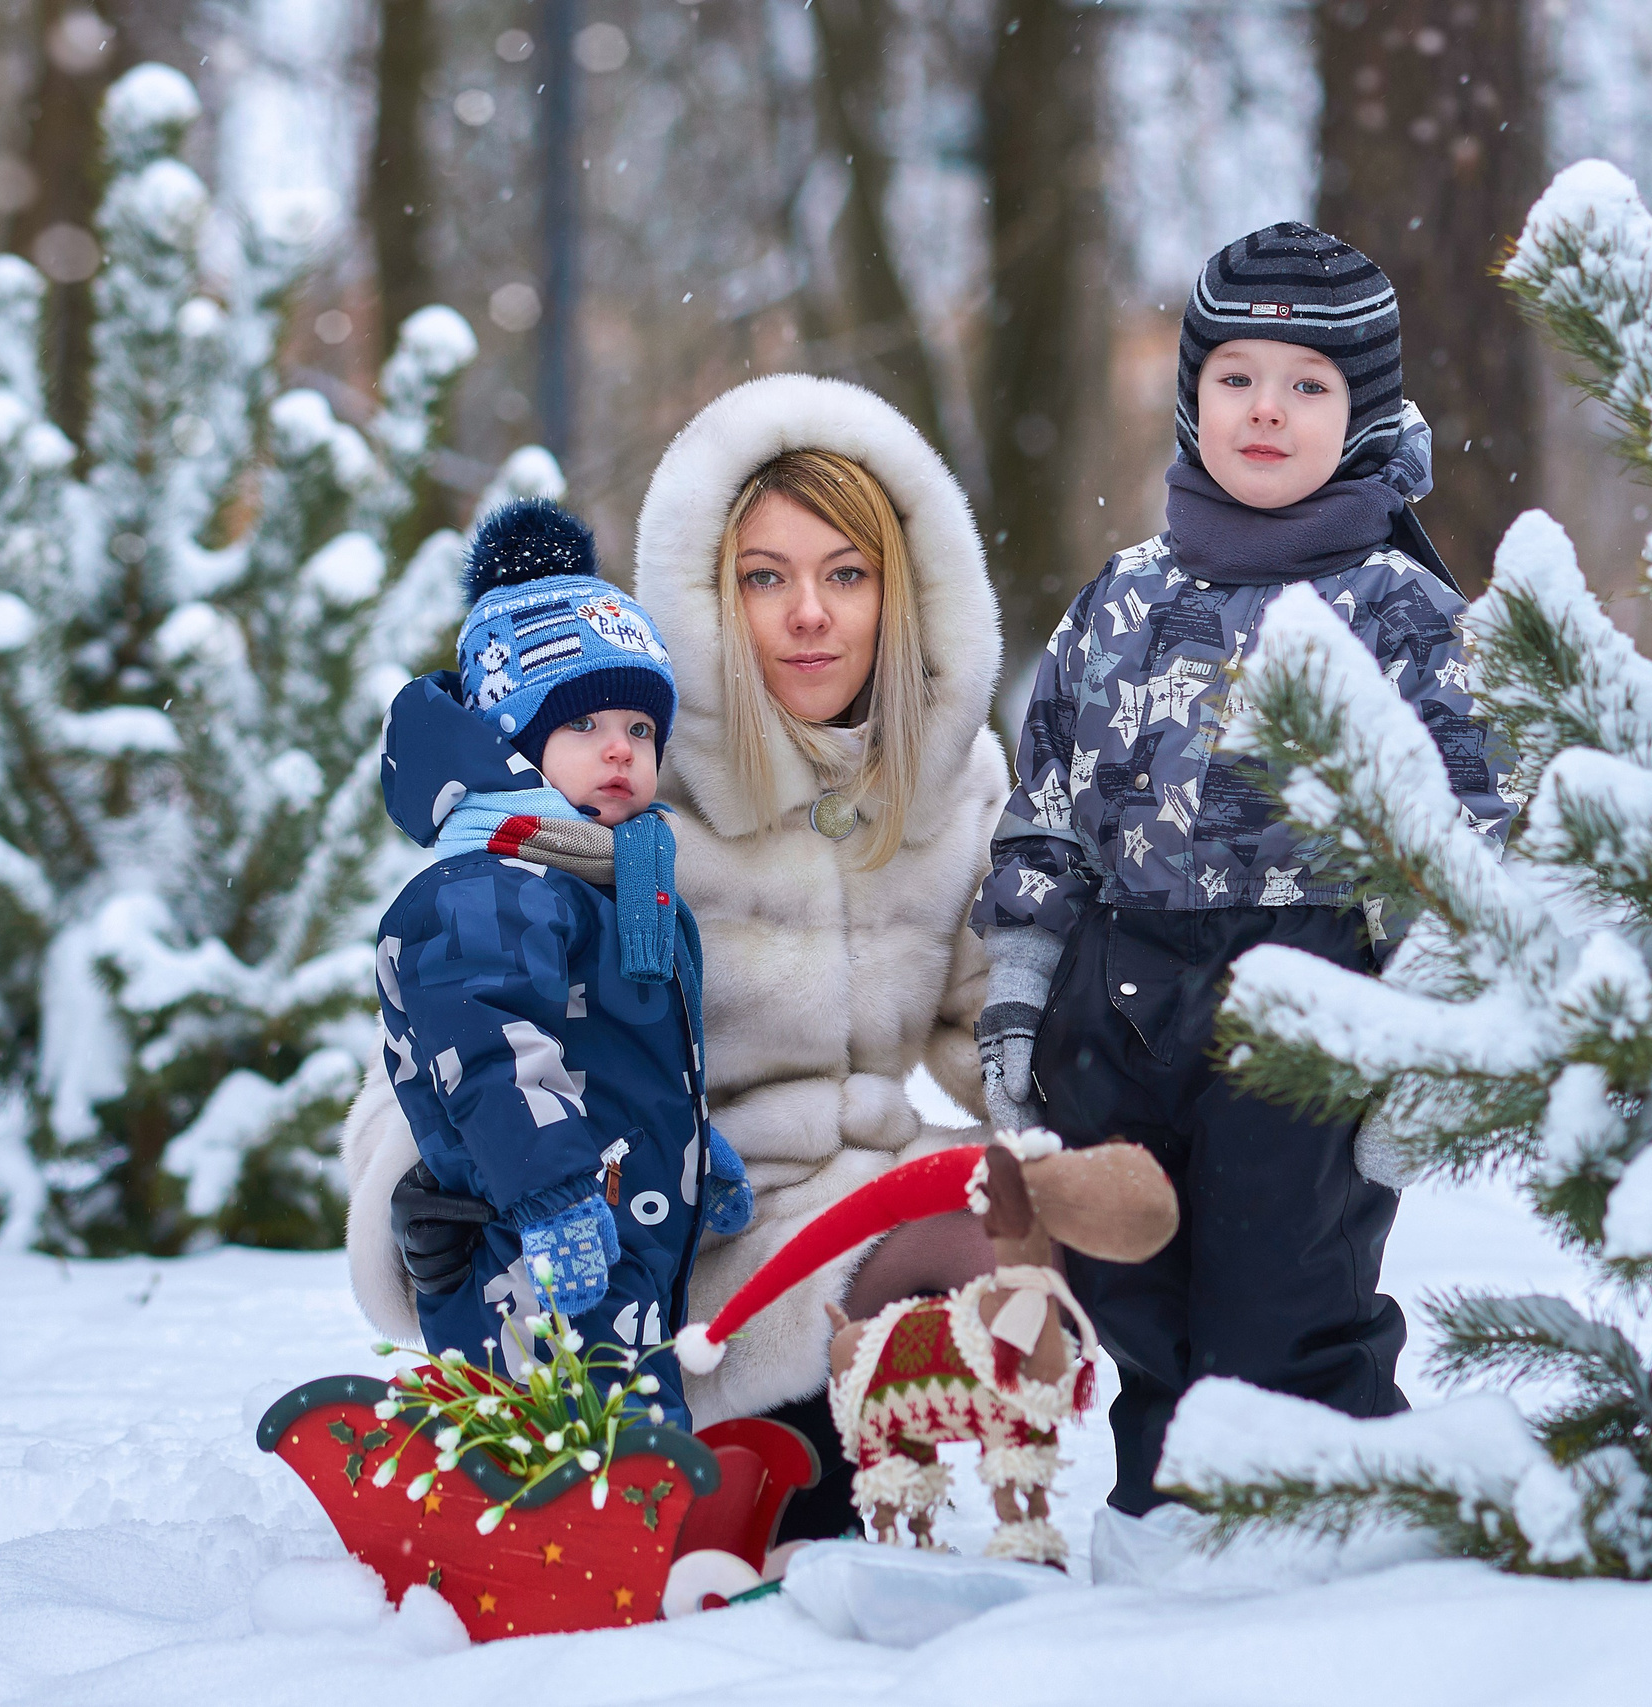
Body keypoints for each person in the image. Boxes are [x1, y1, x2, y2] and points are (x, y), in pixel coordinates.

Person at [342, 376, 1007, 1540]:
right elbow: (451, 1009)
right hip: (670, 1254)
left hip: (854, 1209)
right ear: (708, 593)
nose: (810, 615)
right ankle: (719, 1490)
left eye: (847, 574)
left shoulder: (953, 785)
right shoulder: (623, 781)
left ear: (903, 592)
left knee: (1025, 1219)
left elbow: (998, 1028)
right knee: (735, 1529)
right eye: (766, 577)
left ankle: (942, 1517)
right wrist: (435, 1190)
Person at [969, 223, 1514, 1518]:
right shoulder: (1117, 601)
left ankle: (1335, 1517)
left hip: (1310, 997)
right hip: (1123, 997)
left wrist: (1426, 1035)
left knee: (1284, 1296)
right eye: (1237, 378)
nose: (1266, 408)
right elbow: (1046, 811)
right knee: (1135, 1286)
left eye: (1308, 384)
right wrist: (1023, 990)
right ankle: (1166, 1530)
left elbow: (1471, 843)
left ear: (1363, 410)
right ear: (1192, 397)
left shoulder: (1404, 613)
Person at [368, 498, 752, 1426]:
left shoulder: (606, 882)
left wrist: (699, 1157)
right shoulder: (489, 887)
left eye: (641, 728)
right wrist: (549, 1196)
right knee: (553, 1415)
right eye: (584, 724)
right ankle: (518, 1496)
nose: (621, 747)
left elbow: (626, 1063)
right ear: (514, 745)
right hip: (527, 1240)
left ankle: (641, 1499)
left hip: (616, 1238)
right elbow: (490, 1053)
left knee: (626, 1410)